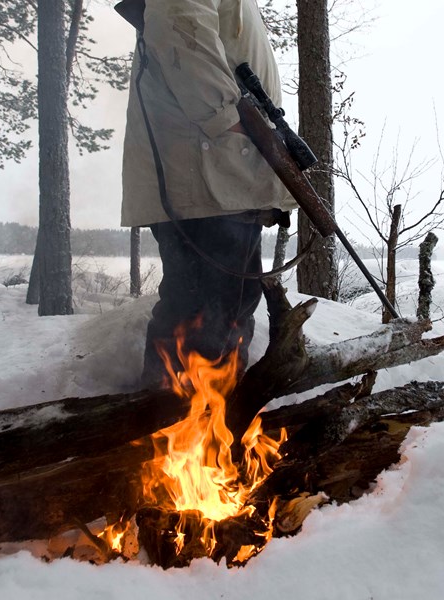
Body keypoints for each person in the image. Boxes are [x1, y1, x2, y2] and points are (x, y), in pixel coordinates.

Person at [120, 0, 295, 388]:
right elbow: (180, 25)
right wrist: (229, 121)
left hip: (222, 175)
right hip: (205, 173)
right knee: (203, 316)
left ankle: (211, 429)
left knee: (228, 309)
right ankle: (172, 430)